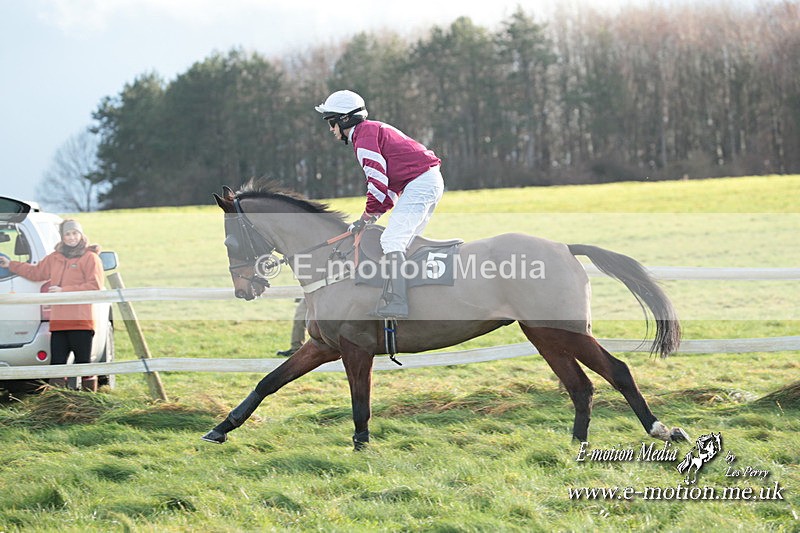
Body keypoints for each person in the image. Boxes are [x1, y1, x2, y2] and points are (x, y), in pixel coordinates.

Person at [315, 90, 445, 318]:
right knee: (403, 243)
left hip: (421, 182)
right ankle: (417, 298)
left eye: (331, 122)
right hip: (422, 181)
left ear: (344, 119)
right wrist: (369, 218)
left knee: (392, 240)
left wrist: (366, 216)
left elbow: (377, 184)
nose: (330, 129)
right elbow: (390, 189)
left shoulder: (363, 136)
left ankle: (398, 303)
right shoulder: (369, 131)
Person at [0, 219, 104, 391]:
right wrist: (11, 265)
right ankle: (58, 404)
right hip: (58, 323)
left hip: (81, 322)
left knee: (84, 365)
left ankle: (89, 405)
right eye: (67, 234)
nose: (71, 238)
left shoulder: (90, 258)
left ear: (81, 234)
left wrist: (64, 291)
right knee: (56, 366)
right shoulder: (54, 258)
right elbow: (35, 272)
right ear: (62, 237)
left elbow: (95, 286)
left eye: (74, 233)